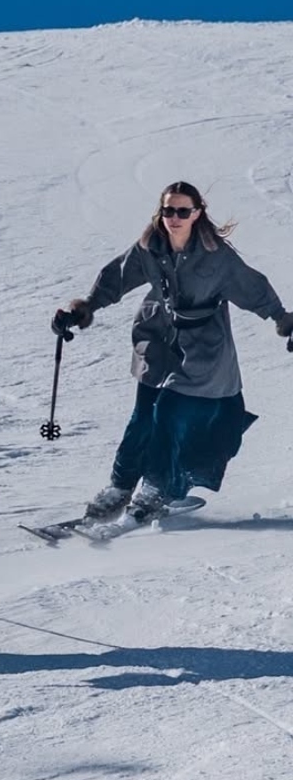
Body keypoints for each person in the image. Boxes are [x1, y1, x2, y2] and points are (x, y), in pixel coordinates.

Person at [53, 180, 293, 525]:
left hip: (203, 348)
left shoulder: (217, 257)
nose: (175, 218)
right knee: (142, 415)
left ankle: (155, 486)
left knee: (167, 413)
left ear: (197, 214)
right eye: (169, 210)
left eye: (183, 211)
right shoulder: (150, 247)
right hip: (158, 338)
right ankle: (119, 488)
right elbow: (115, 279)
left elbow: (254, 288)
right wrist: (82, 309)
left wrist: (284, 319)